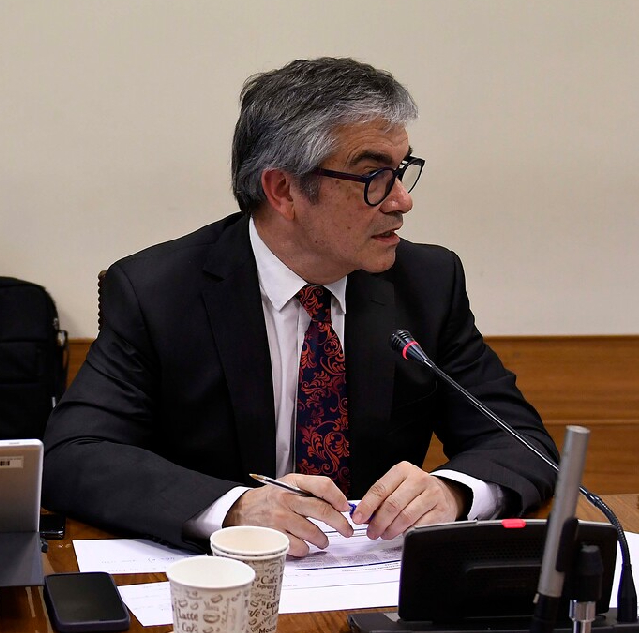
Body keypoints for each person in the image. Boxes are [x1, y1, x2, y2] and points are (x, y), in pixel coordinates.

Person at [42, 57, 557, 556]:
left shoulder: (427, 282)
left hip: (371, 579)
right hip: (224, 581)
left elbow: (521, 441)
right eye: (374, 177)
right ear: (284, 190)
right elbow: (74, 455)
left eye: (402, 171)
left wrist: (455, 492)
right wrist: (233, 508)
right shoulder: (159, 291)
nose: (402, 200)